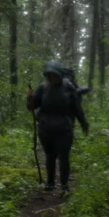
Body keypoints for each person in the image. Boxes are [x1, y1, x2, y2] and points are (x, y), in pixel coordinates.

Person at [27, 60, 89, 194]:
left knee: (64, 156)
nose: (51, 77)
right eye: (49, 75)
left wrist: (83, 122)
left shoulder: (68, 87)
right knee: (50, 156)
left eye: (53, 74)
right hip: (46, 129)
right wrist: (30, 99)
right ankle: (50, 183)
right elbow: (32, 107)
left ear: (59, 74)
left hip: (64, 128)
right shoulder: (42, 88)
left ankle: (64, 185)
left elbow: (77, 107)